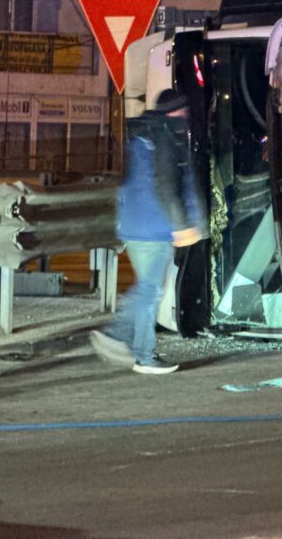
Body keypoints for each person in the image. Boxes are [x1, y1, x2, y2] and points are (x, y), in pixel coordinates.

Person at [91, 89, 205, 374]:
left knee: (146, 289)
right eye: (182, 112)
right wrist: (183, 226)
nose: (185, 117)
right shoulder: (165, 136)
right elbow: (167, 186)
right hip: (155, 227)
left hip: (134, 224)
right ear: (174, 112)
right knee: (149, 291)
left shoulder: (141, 135)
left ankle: (129, 343)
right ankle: (136, 350)